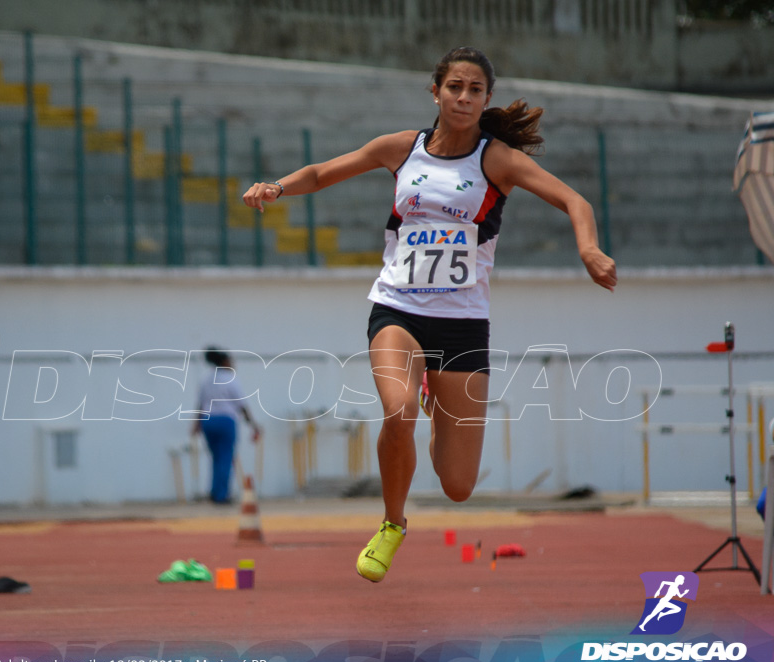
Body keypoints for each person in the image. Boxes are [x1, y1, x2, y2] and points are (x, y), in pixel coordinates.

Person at [242, 47, 616, 582]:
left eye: (475, 90)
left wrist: (588, 249)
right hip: (399, 309)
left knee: (458, 484)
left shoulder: (497, 161)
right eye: (454, 87)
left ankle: (432, 398)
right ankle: (392, 524)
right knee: (397, 413)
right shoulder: (401, 149)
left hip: (462, 325)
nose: (463, 98)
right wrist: (277, 186)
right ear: (435, 91)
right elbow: (324, 172)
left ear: (486, 98)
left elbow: (576, 202)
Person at [192, 347, 262, 504]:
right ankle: (221, 496)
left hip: (208, 421)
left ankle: (214, 491)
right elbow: (242, 405)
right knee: (226, 458)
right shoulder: (230, 379)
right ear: (224, 361)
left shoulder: (207, 380)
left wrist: (196, 424)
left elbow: (201, 404)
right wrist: (253, 424)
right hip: (225, 421)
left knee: (216, 458)